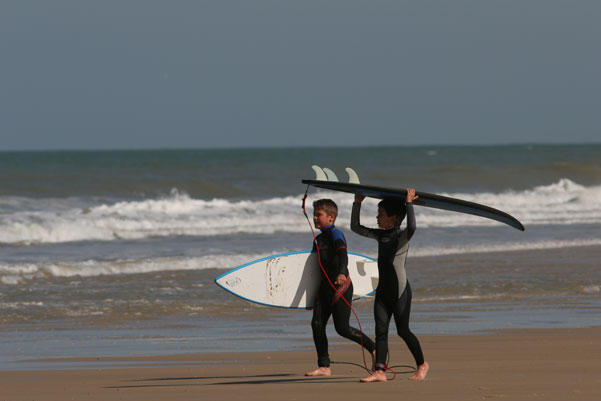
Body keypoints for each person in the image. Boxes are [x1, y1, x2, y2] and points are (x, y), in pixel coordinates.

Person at [350, 190, 429, 382]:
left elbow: (412, 228)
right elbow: (355, 227)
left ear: (393, 218)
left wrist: (409, 204)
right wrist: (357, 203)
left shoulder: (402, 238)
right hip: (383, 291)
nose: (377, 218)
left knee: (403, 331)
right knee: (381, 331)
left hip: (400, 291)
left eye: (381, 215)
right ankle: (380, 371)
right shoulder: (380, 235)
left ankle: (422, 364)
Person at [305, 198, 376, 377]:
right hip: (323, 289)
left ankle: (374, 350)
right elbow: (314, 270)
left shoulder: (336, 234)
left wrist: (342, 273)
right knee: (316, 324)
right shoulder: (318, 240)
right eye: (314, 214)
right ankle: (324, 366)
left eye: (318, 215)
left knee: (342, 328)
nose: (314, 218)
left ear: (331, 217)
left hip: (340, 287)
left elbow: (343, 254)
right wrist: (308, 296)